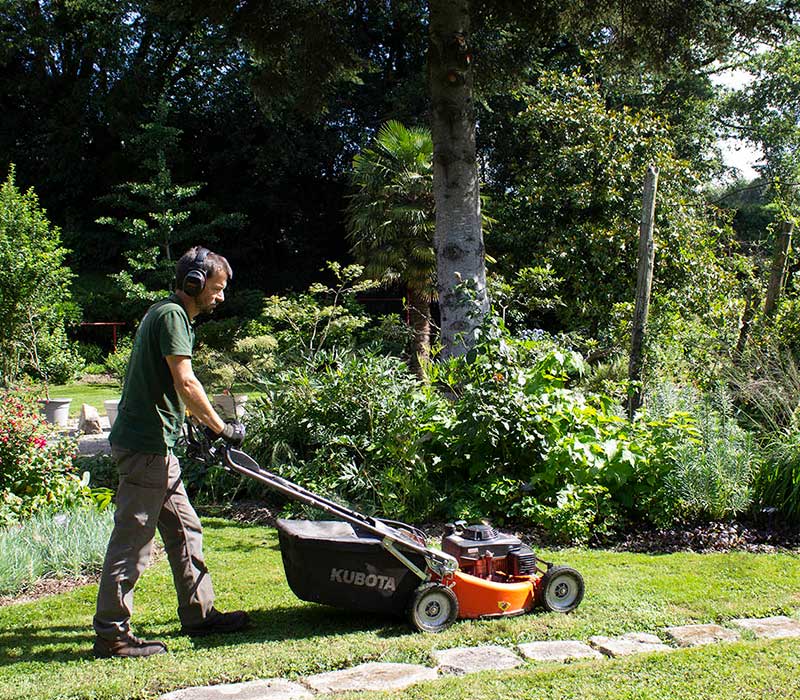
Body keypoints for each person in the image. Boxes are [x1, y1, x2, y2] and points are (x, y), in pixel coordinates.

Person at [93, 246, 249, 659]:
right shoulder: (172, 316)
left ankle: (200, 613)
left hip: (157, 446)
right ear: (193, 283)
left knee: (185, 529)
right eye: (215, 288)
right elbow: (186, 382)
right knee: (133, 540)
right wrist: (221, 428)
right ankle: (112, 632)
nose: (219, 297)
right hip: (147, 449)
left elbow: (172, 389)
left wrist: (194, 425)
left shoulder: (168, 314)